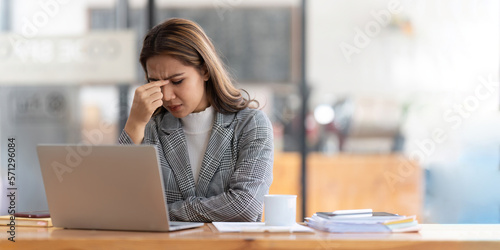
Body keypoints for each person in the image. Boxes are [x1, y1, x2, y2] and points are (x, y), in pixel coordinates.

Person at [118, 18, 274, 222]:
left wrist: (160, 213)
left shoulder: (250, 125)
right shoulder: (150, 128)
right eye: (154, 82)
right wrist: (134, 124)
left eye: (177, 81)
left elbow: (245, 205)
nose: (166, 95)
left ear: (205, 70)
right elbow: (120, 203)